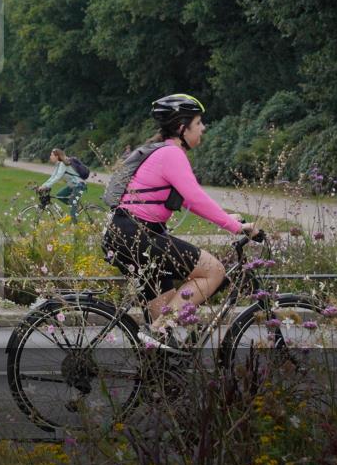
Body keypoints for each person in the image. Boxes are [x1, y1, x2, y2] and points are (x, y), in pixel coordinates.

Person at [101, 94, 259, 351]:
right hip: (139, 236)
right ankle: (159, 329)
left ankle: (158, 362)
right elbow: (195, 197)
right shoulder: (171, 154)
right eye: (198, 123)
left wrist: (226, 217)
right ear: (181, 127)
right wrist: (236, 227)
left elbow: (185, 198)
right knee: (214, 271)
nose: (203, 128)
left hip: (128, 235)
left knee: (162, 332)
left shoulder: (163, 152)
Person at [38, 149, 87, 221]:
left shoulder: (63, 164)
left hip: (79, 185)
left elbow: (57, 177)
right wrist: (43, 185)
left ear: (57, 156)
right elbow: (53, 177)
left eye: (51, 155)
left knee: (73, 209)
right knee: (59, 195)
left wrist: (46, 186)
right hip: (72, 185)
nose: (50, 157)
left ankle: (75, 220)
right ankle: (75, 207)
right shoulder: (58, 165)